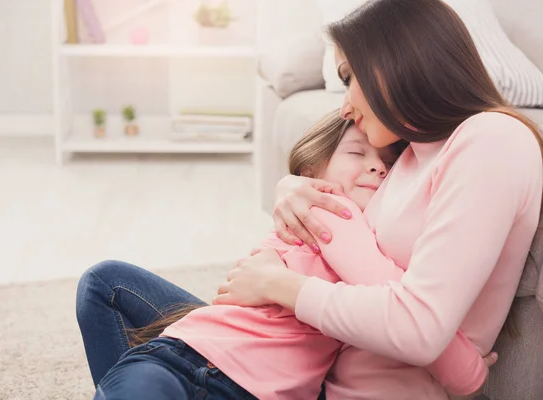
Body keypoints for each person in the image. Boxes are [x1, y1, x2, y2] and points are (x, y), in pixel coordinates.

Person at [76, 0, 538, 398]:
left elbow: (420, 329)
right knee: (109, 288)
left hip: (322, 384)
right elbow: (348, 236)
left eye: (347, 76)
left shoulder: (491, 140)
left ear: (392, 65)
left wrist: (277, 285)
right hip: (299, 372)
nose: (343, 106)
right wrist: (296, 186)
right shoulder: (411, 156)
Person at [85, 113, 488, 400]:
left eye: (387, 164)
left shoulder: (358, 226)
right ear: (315, 168)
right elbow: (407, 306)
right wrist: (468, 373)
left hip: (229, 376)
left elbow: (405, 308)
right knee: (107, 286)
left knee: (103, 284)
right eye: (357, 154)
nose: (378, 169)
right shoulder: (330, 212)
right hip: (183, 356)